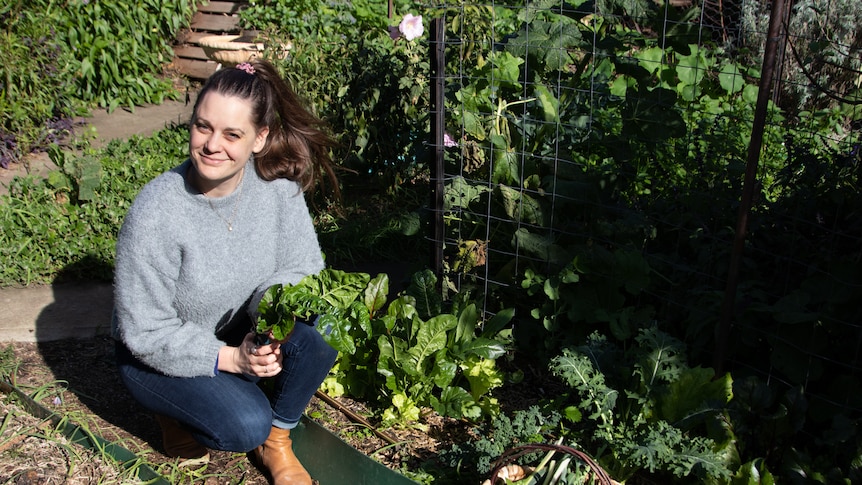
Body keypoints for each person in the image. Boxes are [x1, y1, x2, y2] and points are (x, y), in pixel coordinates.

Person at [112, 58, 340, 485]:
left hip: (237, 331)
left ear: (260, 138)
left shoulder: (277, 189)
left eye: (232, 134)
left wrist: (267, 320)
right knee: (241, 424)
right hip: (155, 355)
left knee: (324, 324)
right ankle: (173, 416)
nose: (212, 144)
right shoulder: (158, 212)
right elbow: (144, 331)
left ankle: (276, 440)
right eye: (203, 127)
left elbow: (303, 267)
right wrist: (233, 358)